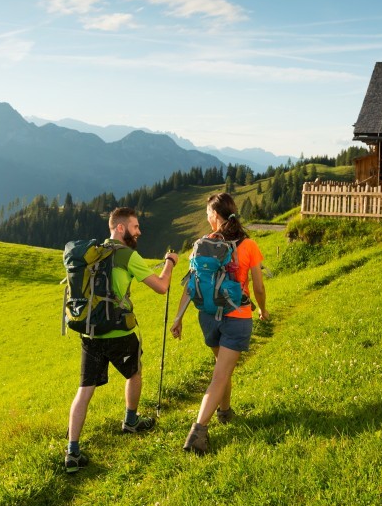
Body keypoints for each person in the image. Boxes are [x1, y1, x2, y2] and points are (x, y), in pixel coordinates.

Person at [65, 206, 179, 474]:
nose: (139, 231)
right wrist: (170, 263)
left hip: (90, 331)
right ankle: (130, 421)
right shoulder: (127, 255)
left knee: (84, 390)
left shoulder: (94, 253)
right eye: (135, 227)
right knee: (134, 372)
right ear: (120, 227)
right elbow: (161, 287)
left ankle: (72, 451)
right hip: (118, 331)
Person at [169, 192, 269, 455]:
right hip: (237, 318)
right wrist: (262, 309)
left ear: (215, 215)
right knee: (221, 374)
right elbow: (259, 287)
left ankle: (225, 412)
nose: (207, 218)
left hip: (208, 317)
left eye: (207, 214)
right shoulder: (249, 245)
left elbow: (191, 284)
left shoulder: (201, 244)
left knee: (221, 368)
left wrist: (179, 318)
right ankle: (198, 432)